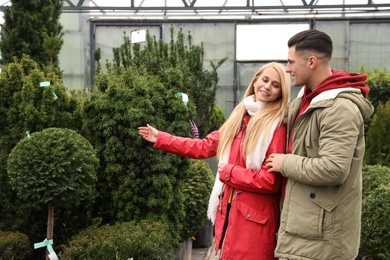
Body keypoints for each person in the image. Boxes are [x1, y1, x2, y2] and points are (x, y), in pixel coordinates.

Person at [139, 62, 290, 260]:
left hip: (256, 224)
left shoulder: (276, 127)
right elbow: (201, 147)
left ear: (280, 93)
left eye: (276, 85)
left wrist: (229, 172)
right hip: (229, 216)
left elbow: (270, 181)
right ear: (255, 81)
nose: (268, 86)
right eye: (265, 79)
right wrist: (161, 138)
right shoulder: (238, 119)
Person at [266, 29, 374, 260]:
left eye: (291, 62)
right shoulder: (306, 100)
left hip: (322, 241)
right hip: (305, 230)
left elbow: (334, 169)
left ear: (312, 61)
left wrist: (286, 162)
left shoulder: (339, 109)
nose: (287, 69)